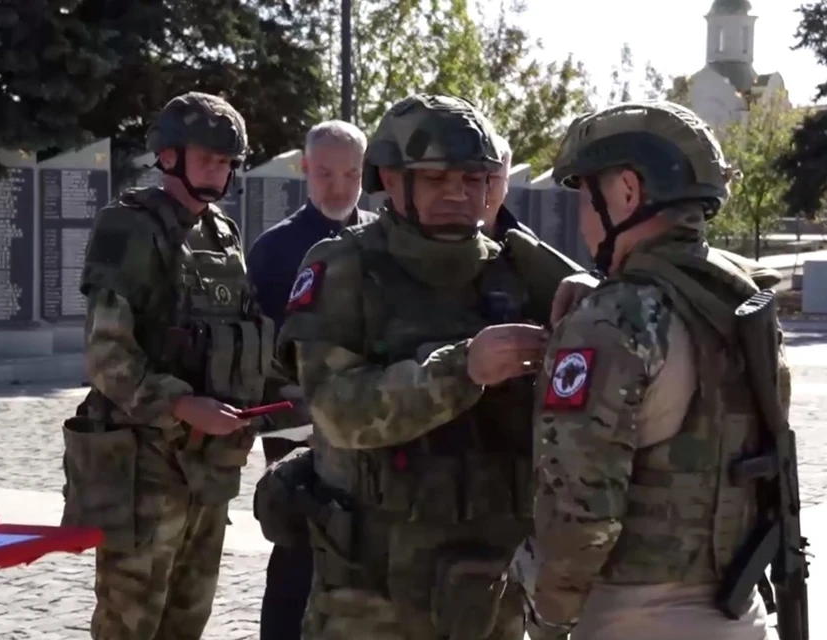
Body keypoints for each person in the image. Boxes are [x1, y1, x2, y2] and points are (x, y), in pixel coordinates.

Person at [271, 93, 586, 640]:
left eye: (474, 179)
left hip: (492, 580)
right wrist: (463, 369)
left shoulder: (520, 270)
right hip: (372, 591)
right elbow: (336, 410)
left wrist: (593, 303)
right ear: (392, 180)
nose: (458, 194)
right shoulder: (343, 267)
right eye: (437, 179)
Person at [508, 101, 791, 640]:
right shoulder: (740, 299)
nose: (582, 221)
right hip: (741, 613)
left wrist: (547, 619)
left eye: (585, 198)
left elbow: (579, 513)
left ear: (628, 193)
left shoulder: (612, 319)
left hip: (630, 620)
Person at [60, 92, 289, 640]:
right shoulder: (128, 227)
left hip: (208, 471)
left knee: (187, 620)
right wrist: (185, 405)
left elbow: (249, 335)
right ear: (169, 157)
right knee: (130, 624)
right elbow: (108, 356)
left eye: (228, 160)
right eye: (208, 156)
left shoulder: (222, 234)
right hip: (144, 469)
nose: (221, 169)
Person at [247, 119, 376, 640]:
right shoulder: (275, 251)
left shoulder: (380, 240)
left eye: (351, 174)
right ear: (305, 170)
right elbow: (258, 351)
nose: (339, 187)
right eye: (325, 174)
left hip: (369, 424)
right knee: (299, 550)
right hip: (298, 427)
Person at [483, 133, 536, 241]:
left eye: (494, 178)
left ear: (506, 182)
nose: (485, 187)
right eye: (474, 179)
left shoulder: (524, 243)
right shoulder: (444, 235)